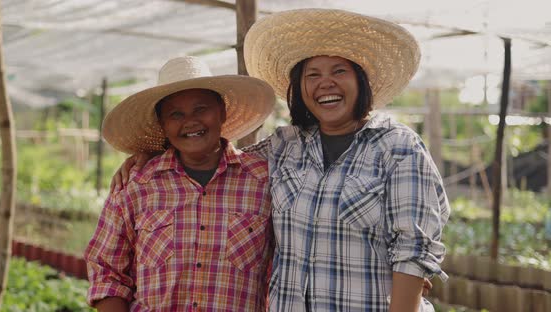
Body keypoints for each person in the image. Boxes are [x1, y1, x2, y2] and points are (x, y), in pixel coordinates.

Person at [110, 9, 449, 312]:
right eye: (312, 74)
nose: (325, 83)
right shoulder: (286, 146)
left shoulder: (398, 148)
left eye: (339, 70)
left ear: (361, 80)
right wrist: (153, 153)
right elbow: (216, 156)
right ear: (299, 88)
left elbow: (413, 252)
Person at [84, 56, 277, 311]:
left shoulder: (264, 182)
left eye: (201, 109)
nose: (191, 121)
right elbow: (107, 273)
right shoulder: (138, 186)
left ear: (222, 112)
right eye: (176, 114)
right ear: (163, 126)